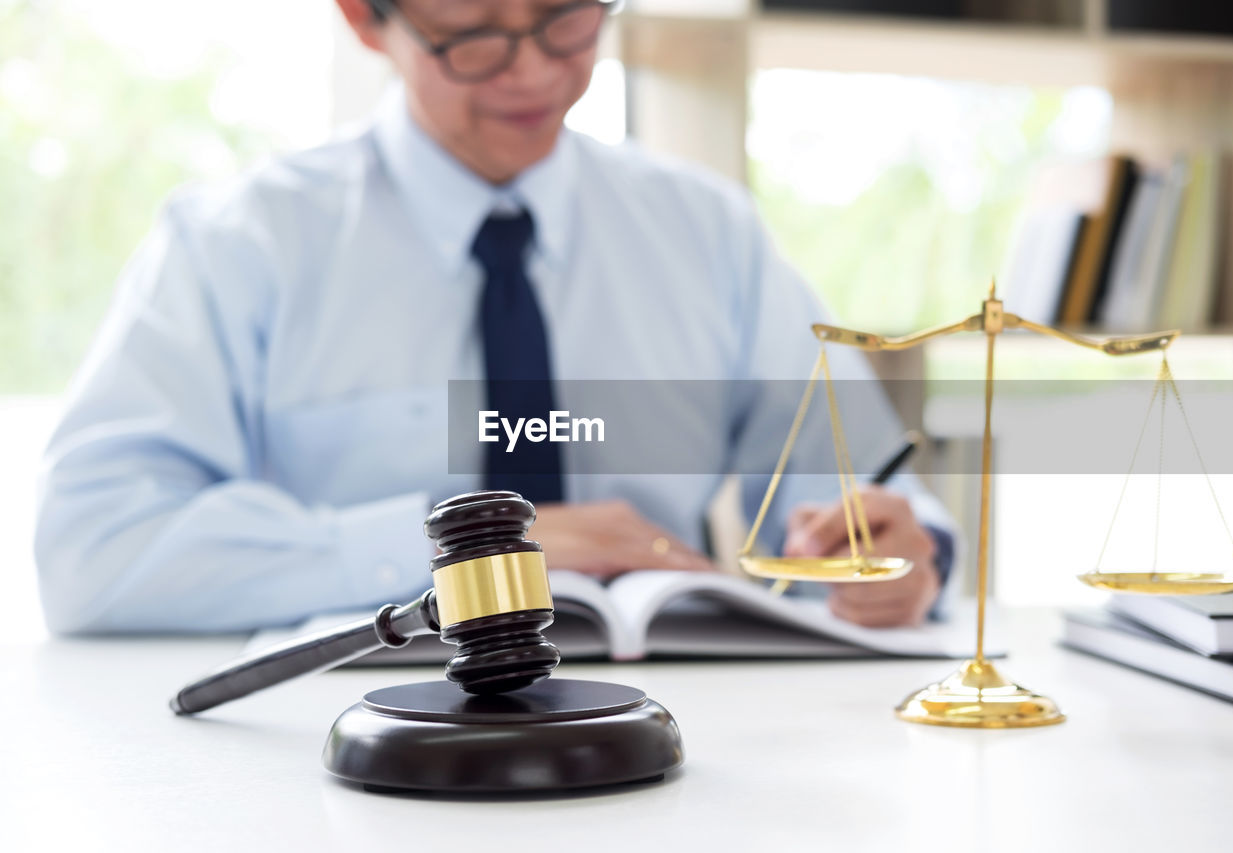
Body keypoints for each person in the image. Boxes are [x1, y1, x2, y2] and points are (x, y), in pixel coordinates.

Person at [34, 0, 954, 634]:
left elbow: (857, 490)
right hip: (335, 758)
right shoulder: (238, 244)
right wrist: (464, 548)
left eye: (567, 20)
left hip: (675, 741)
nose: (533, 73)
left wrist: (901, 552)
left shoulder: (709, 234)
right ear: (365, 18)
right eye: (472, 36)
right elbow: (94, 550)